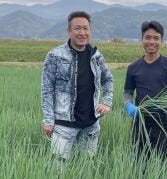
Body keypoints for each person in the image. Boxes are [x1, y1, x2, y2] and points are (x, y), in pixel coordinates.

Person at [41, 11, 114, 161]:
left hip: (91, 124)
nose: (82, 33)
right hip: (64, 125)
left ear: (90, 31)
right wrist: (48, 121)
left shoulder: (95, 55)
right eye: (77, 28)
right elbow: (47, 90)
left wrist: (107, 102)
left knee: (86, 166)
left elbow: (108, 79)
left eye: (85, 28)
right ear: (69, 31)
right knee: (57, 167)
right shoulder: (55, 55)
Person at [123, 20, 167, 157]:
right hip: (140, 125)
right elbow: (127, 92)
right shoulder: (133, 67)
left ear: (162, 41)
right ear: (142, 39)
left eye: (156, 38)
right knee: (138, 165)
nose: (151, 42)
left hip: (164, 125)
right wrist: (128, 105)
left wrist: (162, 105)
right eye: (148, 37)